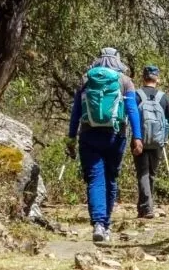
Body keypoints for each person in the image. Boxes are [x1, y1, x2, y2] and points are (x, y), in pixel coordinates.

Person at [66, 47, 144, 242]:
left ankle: (99, 224)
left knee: (94, 178)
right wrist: (138, 136)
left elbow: (76, 112)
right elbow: (132, 110)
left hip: (88, 135)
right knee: (111, 178)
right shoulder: (125, 81)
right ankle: (105, 224)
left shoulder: (86, 80)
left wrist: (70, 137)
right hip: (116, 136)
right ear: (118, 61)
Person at [134, 65, 169, 219]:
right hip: (158, 142)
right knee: (151, 173)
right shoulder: (163, 97)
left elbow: (130, 118)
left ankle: (146, 208)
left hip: (140, 140)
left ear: (143, 77)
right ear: (157, 78)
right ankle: (146, 207)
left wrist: (134, 138)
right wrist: (165, 138)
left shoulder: (136, 95)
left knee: (142, 173)